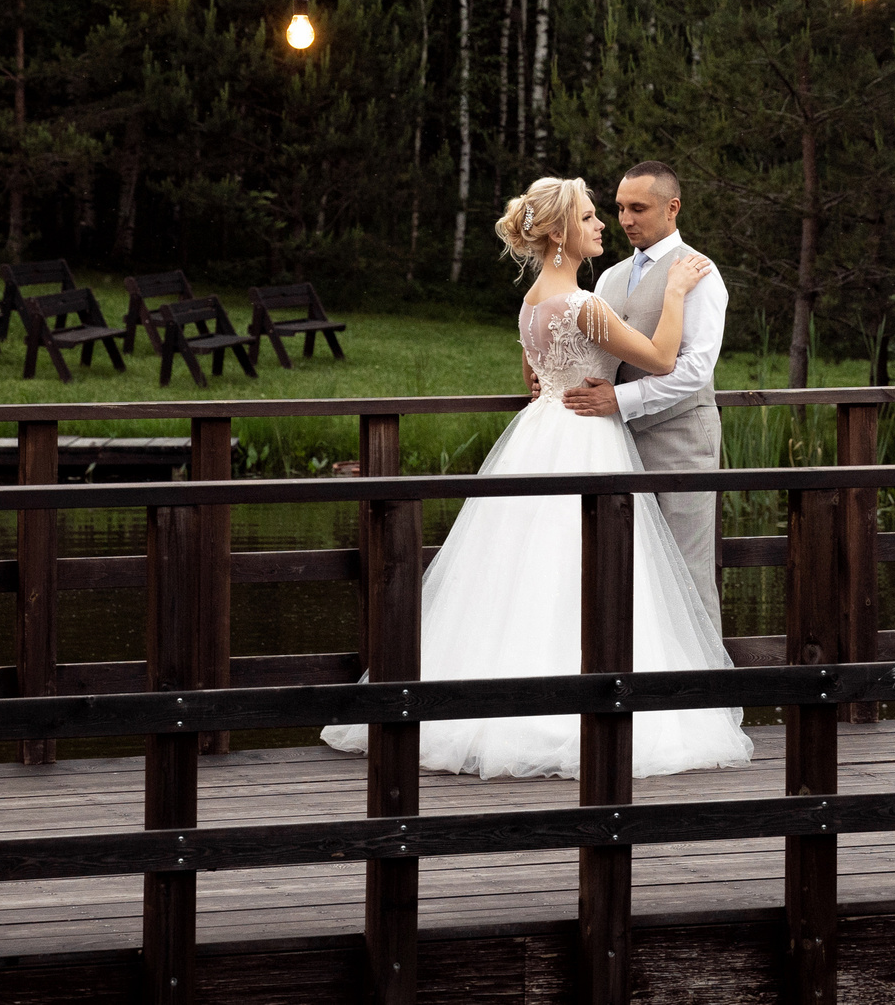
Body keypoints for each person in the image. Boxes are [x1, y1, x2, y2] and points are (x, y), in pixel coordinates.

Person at [321, 175, 752, 780]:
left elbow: (538, 370)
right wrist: (674, 294)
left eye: (622, 210)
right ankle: (596, 704)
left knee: (534, 567)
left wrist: (562, 380)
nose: (607, 223)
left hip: (546, 433)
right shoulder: (589, 297)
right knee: (586, 569)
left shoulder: (535, 301)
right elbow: (659, 358)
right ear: (559, 231)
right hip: (588, 438)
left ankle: (521, 698)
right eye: (595, 214)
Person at [559, 161, 729, 629]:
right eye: (619, 209)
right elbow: (597, 355)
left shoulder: (700, 272)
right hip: (613, 445)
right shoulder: (609, 277)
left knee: (686, 572)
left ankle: (700, 675)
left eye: (638, 208)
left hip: (680, 443)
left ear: (672, 208)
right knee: (622, 566)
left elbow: (695, 370)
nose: (625, 220)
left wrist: (620, 400)